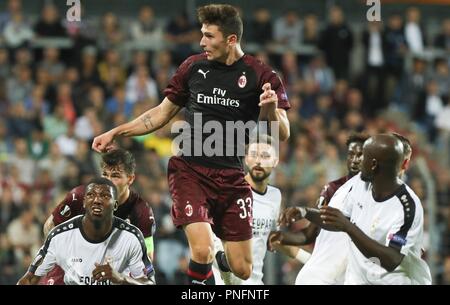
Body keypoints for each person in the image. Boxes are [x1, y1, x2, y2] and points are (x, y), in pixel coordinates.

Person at [92, 4, 290, 285]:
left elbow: (282, 133)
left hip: (232, 178)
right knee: (202, 248)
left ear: (231, 39)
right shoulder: (193, 67)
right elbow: (159, 115)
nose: (202, 42)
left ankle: (223, 264)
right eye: (202, 34)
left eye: (209, 36)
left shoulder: (262, 75)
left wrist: (269, 110)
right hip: (191, 171)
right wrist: (117, 131)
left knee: (243, 269)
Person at [296, 134, 432, 284]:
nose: (359, 161)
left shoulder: (406, 206)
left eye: (364, 156)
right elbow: (338, 220)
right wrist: (305, 212)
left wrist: (348, 227)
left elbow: (392, 259)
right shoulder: (358, 185)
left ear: (373, 164)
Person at [41, 148, 155, 285]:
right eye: (105, 175)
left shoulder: (141, 211)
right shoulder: (80, 196)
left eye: (116, 176)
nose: (109, 181)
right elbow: (50, 226)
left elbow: (147, 259)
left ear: (130, 179)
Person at [17, 178, 156, 285]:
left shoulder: (132, 237)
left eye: (105, 196)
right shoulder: (60, 236)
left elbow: (149, 282)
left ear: (115, 205)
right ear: (83, 202)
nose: (97, 200)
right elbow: (29, 280)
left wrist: (120, 279)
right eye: (91, 195)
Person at [271, 133, 368, 284]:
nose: (354, 160)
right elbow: (309, 234)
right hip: (323, 274)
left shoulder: (375, 193)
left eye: (360, 155)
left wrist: (306, 212)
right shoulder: (332, 189)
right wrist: (282, 237)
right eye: (351, 154)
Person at [213, 134, 281, 285]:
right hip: (226, 280)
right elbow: (213, 239)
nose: (258, 161)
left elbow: (271, 237)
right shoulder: (229, 191)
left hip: (256, 281)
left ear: (275, 161)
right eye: (254, 155)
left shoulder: (275, 196)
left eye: (265, 156)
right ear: (246, 158)